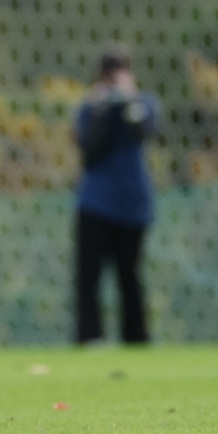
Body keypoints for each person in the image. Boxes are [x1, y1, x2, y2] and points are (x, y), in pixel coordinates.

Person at [72, 47, 159, 346]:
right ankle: (89, 337)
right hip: (95, 203)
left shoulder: (144, 104)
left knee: (130, 275)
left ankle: (136, 338)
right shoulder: (90, 108)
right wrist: (102, 111)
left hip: (132, 204)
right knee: (89, 275)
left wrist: (130, 103)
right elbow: (89, 151)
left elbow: (143, 134)